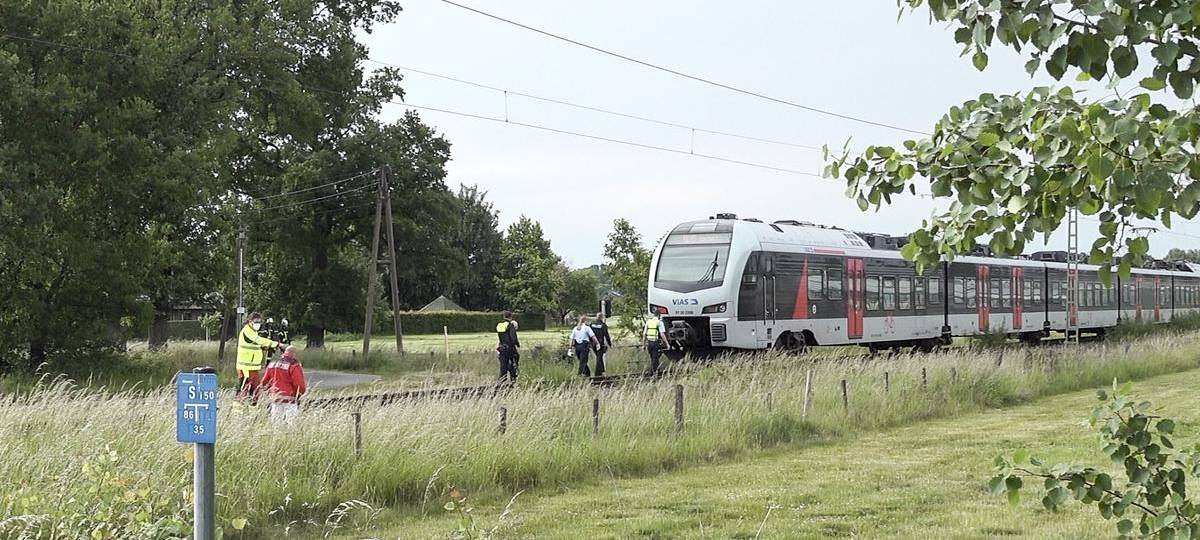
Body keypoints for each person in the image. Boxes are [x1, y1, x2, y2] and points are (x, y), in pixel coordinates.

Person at [236, 312, 282, 405]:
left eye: (259, 321)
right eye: (256, 321)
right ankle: (238, 408)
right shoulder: (247, 331)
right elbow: (258, 340)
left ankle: (253, 408)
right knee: (244, 389)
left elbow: (254, 344)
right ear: (249, 321)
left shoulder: (253, 331)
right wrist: (277, 344)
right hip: (245, 367)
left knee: (255, 390)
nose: (258, 324)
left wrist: (263, 348)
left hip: (252, 367)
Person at [260, 345, 307, 426]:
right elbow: (299, 384)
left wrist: (270, 392)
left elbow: (264, 382)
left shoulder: (273, 363)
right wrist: (300, 394)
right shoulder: (294, 365)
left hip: (275, 398)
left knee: (276, 424)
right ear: (294, 354)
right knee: (292, 424)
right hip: (290, 399)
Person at [496, 311, 521, 381]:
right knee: (514, 364)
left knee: (503, 369)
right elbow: (513, 338)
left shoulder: (499, 325)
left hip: (502, 348)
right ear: (511, 317)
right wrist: (517, 344)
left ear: (504, 316)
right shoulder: (510, 325)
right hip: (510, 349)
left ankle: (502, 383)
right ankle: (513, 380)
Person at [643, 311, 669, 376]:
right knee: (655, 358)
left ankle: (653, 372)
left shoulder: (648, 322)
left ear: (654, 315)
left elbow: (644, 334)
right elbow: (662, 334)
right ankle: (654, 373)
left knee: (652, 358)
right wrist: (667, 344)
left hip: (649, 343)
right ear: (659, 316)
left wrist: (643, 345)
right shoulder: (659, 322)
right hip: (655, 342)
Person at [589, 312, 613, 377]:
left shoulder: (591, 324)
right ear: (602, 317)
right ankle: (597, 373)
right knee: (599, 358)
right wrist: (610, 344)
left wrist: (590, 343)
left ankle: (602, 371)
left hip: (593, 343)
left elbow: (589, 334)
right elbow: (606, 335)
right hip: (600, 343)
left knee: (599, 357)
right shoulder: (603, 325)